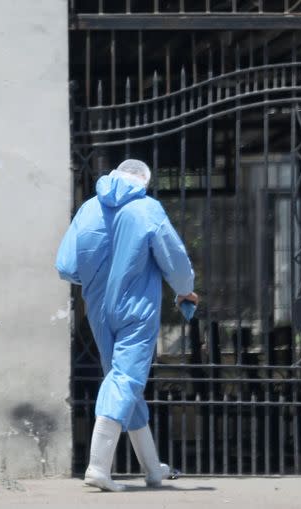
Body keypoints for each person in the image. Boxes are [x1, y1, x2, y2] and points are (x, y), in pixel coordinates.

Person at [56, 159, 197, 491]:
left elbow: (65, 265)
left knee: (123, 382)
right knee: (126, 380)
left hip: (99, 310)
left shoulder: (89, 208)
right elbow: (174, 260)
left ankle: (152, 468)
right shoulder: (147, 209)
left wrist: (93, 279)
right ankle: (98, 466)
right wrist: (184, 289)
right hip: (137, 309)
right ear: (145, 181)